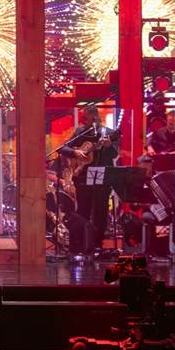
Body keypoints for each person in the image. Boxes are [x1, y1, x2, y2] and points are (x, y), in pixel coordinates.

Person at [60, 105, 119, 251]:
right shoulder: (80, 132)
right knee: (83, 210)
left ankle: (97, 242)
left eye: (85, 117)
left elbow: (114, 154)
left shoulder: (108, 133)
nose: (83, 120)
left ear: (94, 117)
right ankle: (82, 242)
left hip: (102, 176)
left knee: (100, 210)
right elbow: (64, 148)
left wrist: (109, 146)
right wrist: (75, 153)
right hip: (82, 176)